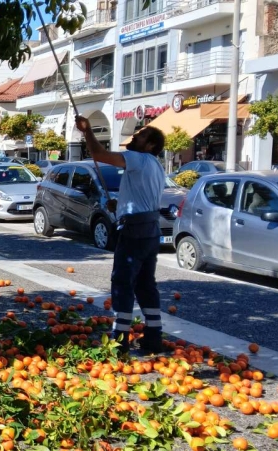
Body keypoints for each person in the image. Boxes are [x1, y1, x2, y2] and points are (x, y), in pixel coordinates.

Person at [76, 117, 166, 355]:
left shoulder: (137, 158)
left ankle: (119, 338)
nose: (135, 136)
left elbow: (99, 154)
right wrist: (122, 205)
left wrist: (88, 131)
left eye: (142, 136)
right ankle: (154, 337)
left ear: (150, 146)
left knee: (123, 283)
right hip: (150, 229)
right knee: (146, 285)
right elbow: (142, 197)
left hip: (135, 231)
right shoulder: (155, 165)